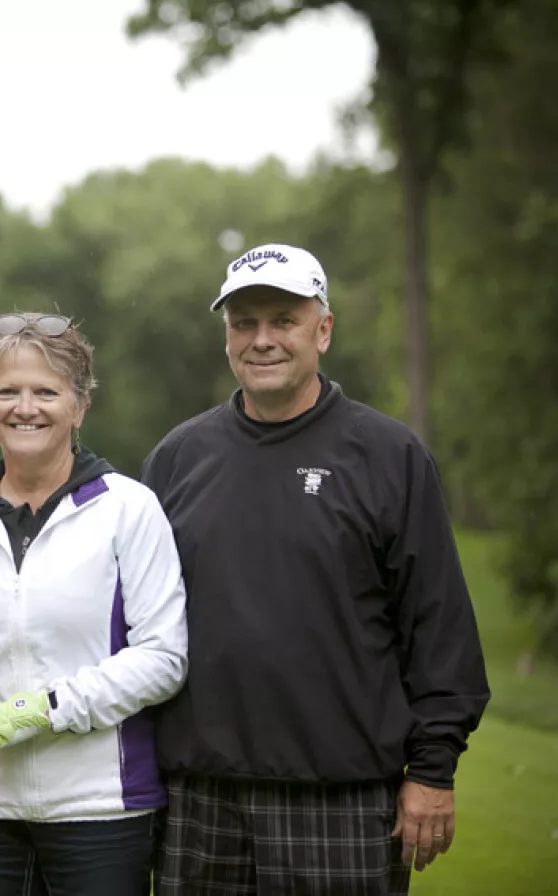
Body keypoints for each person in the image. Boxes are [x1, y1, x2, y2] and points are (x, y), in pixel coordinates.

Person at [141, 243, 491, 895]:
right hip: (197, 799)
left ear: (323, 329)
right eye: (244, 323)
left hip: (344, 800)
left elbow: (438, 626)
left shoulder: (389, 456)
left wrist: (433, 769)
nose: (262, 339)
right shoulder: (177, 458)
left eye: (284, 319)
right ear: (226, 337)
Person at [0, 312, 189, 896]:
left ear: (80, 405)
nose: (26, 407)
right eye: (7, 391)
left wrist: (49, 708)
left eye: (46, 391)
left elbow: (164, 657)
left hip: (101, 810)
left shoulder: (129, 509)